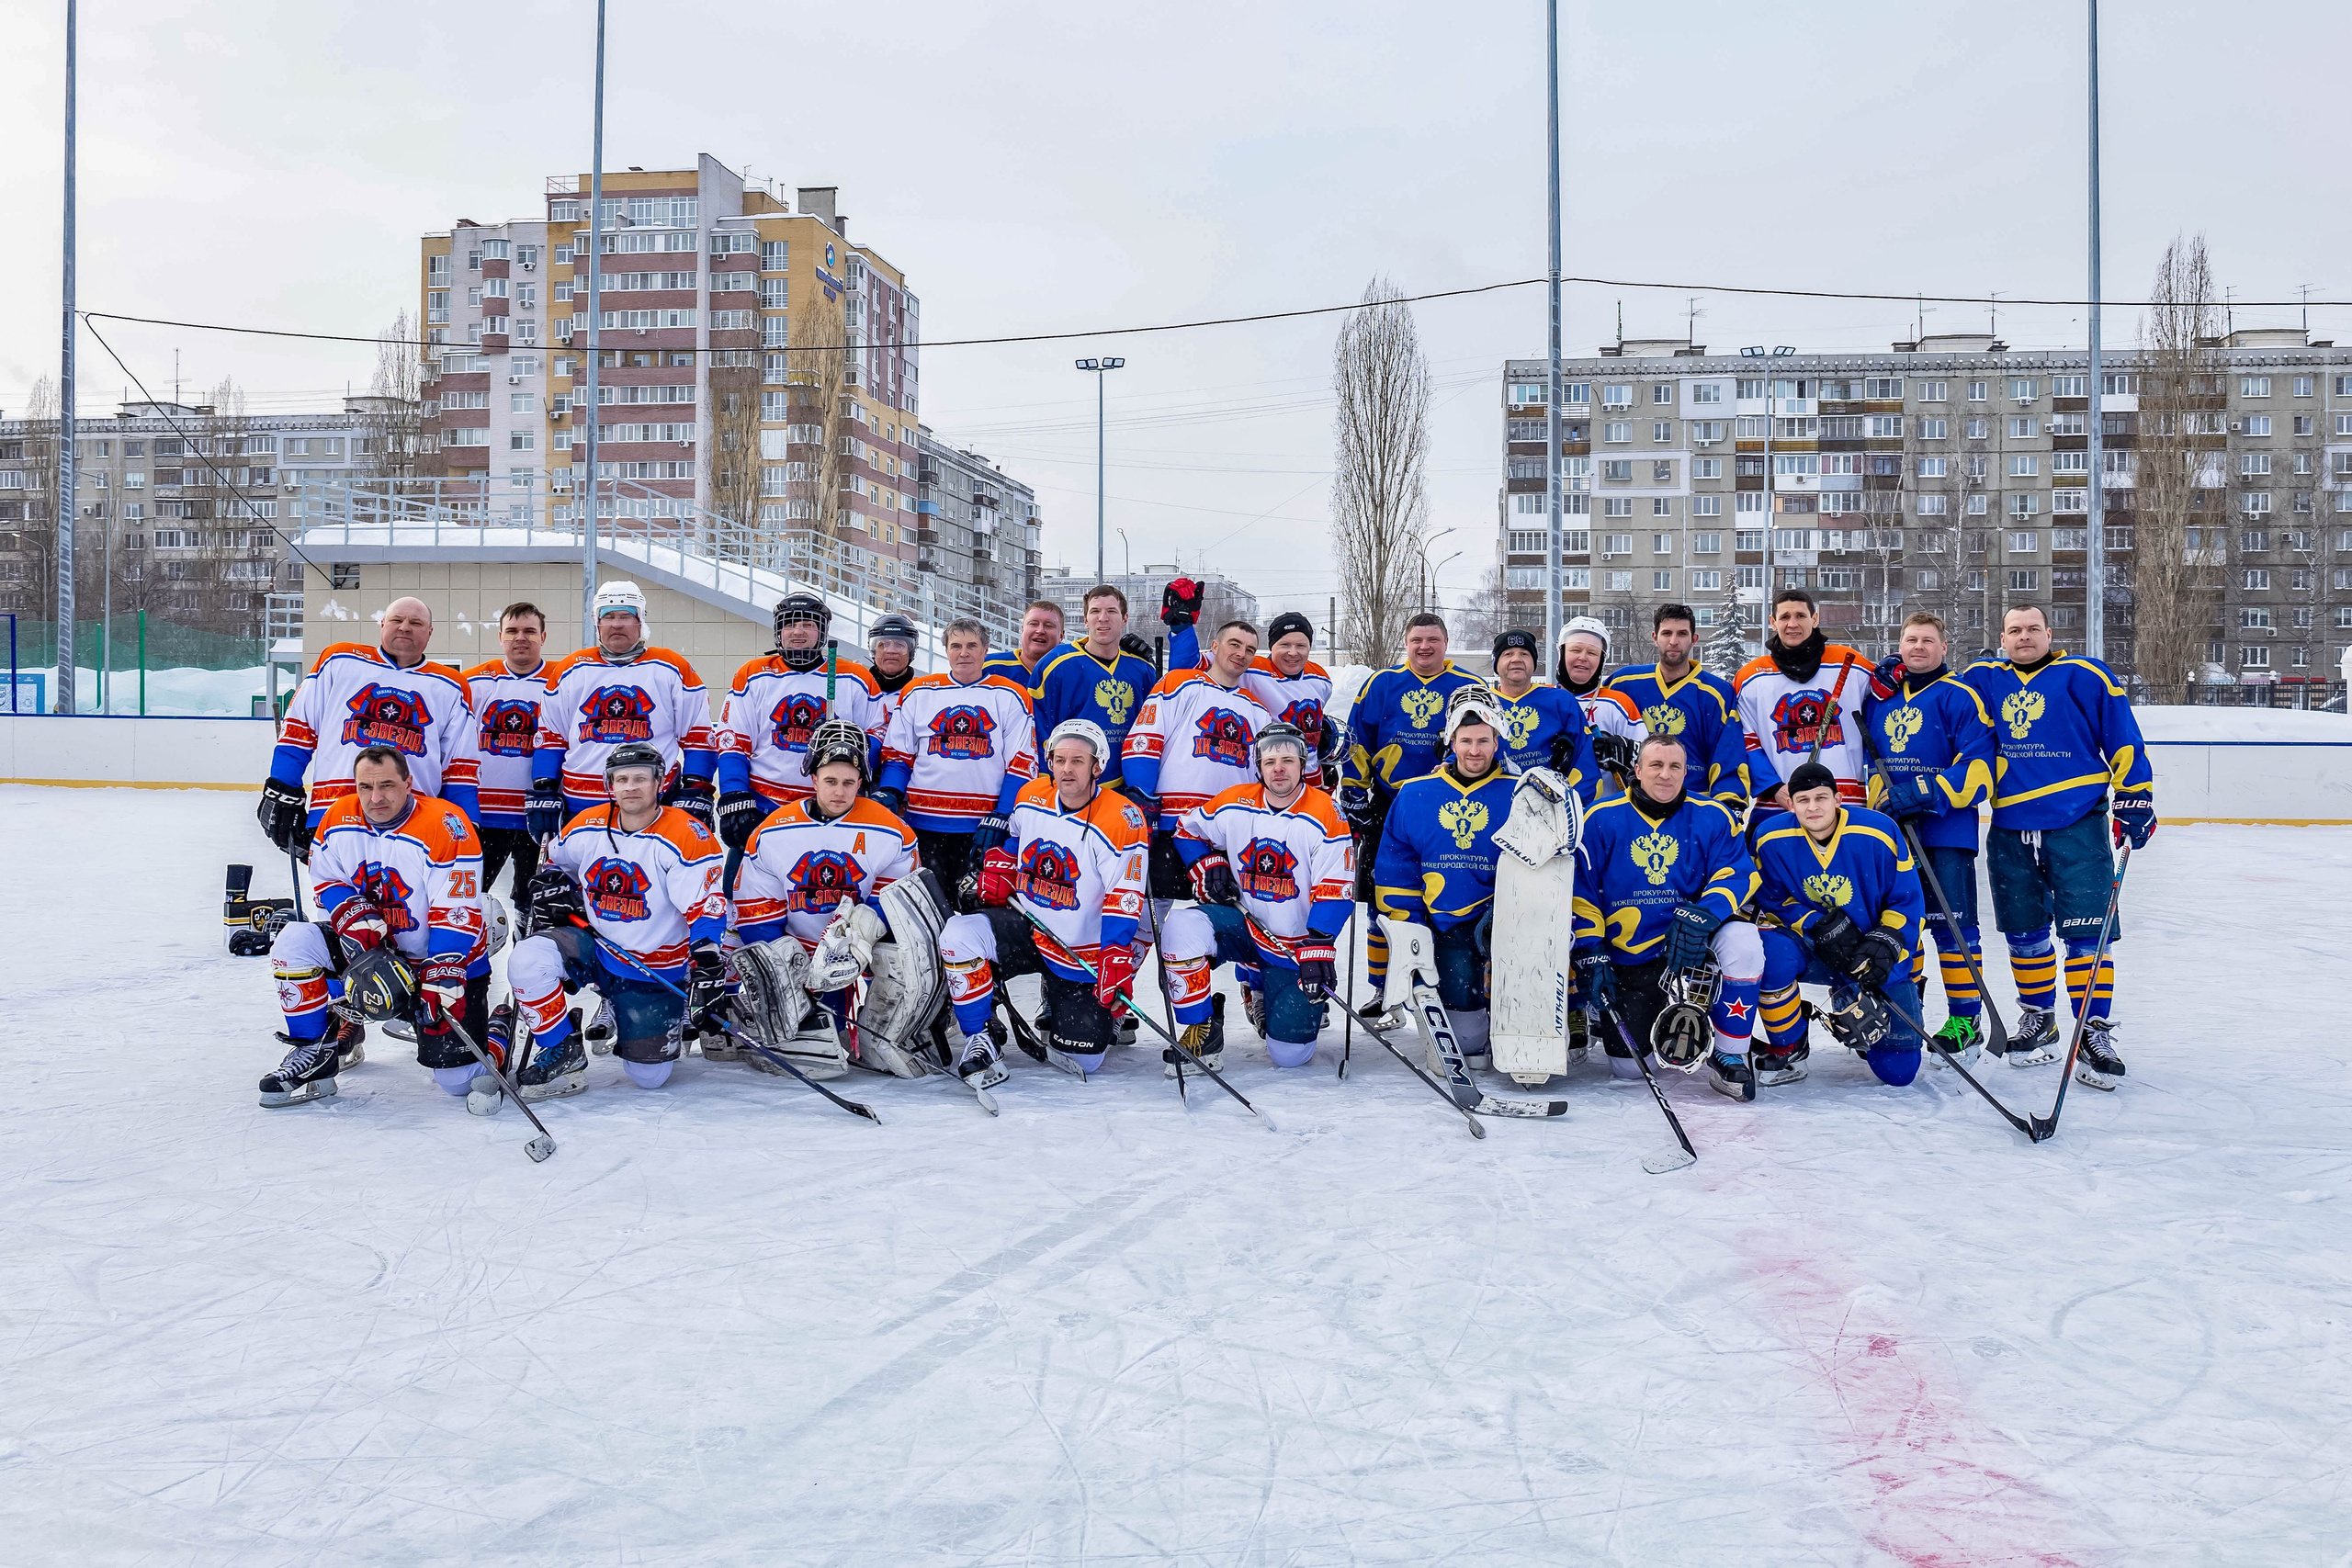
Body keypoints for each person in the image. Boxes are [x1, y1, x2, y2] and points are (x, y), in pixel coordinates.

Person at [1960, 604, 2149, 1082]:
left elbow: (2123, 738)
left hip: (2077, 825)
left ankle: (2092, 1031)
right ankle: (2040, 1020)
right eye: (2014, 631)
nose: (2024, 637)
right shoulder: (1983, 678)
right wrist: (1895, 670)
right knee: (2024, 933)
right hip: (2009, 826)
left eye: (2032, 629)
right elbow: (1940, 695)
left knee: (2087, 936)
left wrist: (2135, 795)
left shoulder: (2084, 675)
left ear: (2050, 633)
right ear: (2002, 638)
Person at [257, 745, 491, 1108]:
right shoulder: (338, 815)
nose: (375, 797)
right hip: (370, 952)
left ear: (409, 782)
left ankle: (498, 1031)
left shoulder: (447, 825)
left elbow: (457, 912)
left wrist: (444, 970)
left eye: (387, 785)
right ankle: (314, 1051)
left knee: (458, 1082)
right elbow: (327, 876)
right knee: (295, 940)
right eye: (365, 787)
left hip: (438, 962)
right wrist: (349, 908)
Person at [507, 742, 727, 1098]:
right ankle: (562, 1046)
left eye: (640, 778)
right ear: (610, 785)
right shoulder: (587, 824)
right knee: (528, 958)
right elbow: (556, 868)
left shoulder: (686, 834)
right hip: (594, 944)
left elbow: (707, 906)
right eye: (621, 779)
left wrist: (705, 959)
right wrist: (553, 887)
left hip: (652, 964)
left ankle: (643, 1009)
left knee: (648, 1077)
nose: (630, 787)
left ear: (660, 782)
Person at [937, 720, 1150, 1083]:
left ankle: (1073, 1001)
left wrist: (1115, 953)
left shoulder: (1123, 818)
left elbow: (1124, 894)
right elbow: (1015, 841)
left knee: (1084, 1061)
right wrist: (1003, 864)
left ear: (1097, 766)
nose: (1067, 769)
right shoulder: (1031, 794)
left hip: (1079, 948)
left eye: (1078, 761)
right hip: (1029, 925)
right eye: (1060, 759)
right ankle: (981, 1035)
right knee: (958, 934)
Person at [1570, 733, 1764, 1101]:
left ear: (1685, 772)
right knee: (1628, 1068)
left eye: (1675, 766)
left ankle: (1730, 1053)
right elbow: (1582, 892)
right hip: (1631, 957)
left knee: (1745, 941)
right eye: (1656, 765)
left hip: (1692, 953)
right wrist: (1593, 952)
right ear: (1637, 770)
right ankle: (1645, 1013)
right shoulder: (1601, 817)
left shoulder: (1713, 815)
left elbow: (1739, 872)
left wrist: (1703, 915)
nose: (1665, 775)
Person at [1161, 723, 1353, 1071]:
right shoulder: (1235, 802)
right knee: (1182, 926)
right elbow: (1187, 830)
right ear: (1259, 766)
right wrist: (1208, 863)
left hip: (1292, 946)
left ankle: (1264, 990)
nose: (1278, 768)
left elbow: (1337, 888)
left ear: (1302, 764)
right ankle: (1201, 1028)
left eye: (1287, 760)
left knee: (1290, 1056)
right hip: (1243, 926)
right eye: (1270, 761)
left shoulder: (1325, 812)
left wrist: (1319, 944)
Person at [731, 717, 919, 1056]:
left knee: (908, 952)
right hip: (798, 951)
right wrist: (786, 969)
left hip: (859, 948)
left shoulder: (892, 830)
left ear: (861, 781)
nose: (839, 791)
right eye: (830, 780)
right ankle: (775, 1015)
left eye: (849, 782)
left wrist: (860, 934)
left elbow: (899, 901)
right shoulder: (772, 832)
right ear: (813, 778)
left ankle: (891, 1029)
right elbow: (756, 911)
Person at [1860, 611, 1997, 1061]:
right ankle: (1907, 1011)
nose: (1918, 647)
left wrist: (1922, 792)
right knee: (1903, 927)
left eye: (1927, 640)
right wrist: (1885, 804)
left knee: (1952, 928)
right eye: (1910, 639)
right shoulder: (1881, 699)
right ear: (1899, 645)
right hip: (1895, 834)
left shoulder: (1959, 696)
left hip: (1946, 830)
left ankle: (1965, 1018)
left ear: (1943, 647)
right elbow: (1872, 762)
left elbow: (1980, 768)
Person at [257, 595, 480, 860]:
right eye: (397, 620)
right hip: (335, 811)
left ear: (429, 633)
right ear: (383, 624)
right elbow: (299, 728)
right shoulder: (339, 660)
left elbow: (459, 768)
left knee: (409, 900)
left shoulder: (451, 685)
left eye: (416, 622)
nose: (405, 627)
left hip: (415, 820)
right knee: (340, 897)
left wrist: (466, 823)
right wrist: (282, 786)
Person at [1752, 761, 1930, 1087]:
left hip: (1872, 951)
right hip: (1814, 947)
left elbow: (1907, 900)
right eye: (1803, 800)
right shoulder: (1770, 837)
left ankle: (1889, 988)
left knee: (1898, 1072)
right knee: (1769, 953)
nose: (1813, 807)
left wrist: (1886, 940)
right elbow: (1772, 900)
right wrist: (1817, 925)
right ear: (1790, 804)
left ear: (1838, 798)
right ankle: (1790, 1043)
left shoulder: (1878, 831)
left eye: (1821, 798)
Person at [1370, 687, 1517, 1073]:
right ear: (1451, 741)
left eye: (1483, 740)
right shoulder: (1416, 793)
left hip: (1509, 928)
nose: (1474, 750)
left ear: (1497, 741)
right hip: (1446, 926)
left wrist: (1509, 908)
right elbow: (1396, 869)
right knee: (1468, 1046)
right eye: (1465, 740)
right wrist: (1409, 928)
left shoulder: (1522, 794)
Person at [1340, 612, 1482, 1001]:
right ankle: (1384, 990)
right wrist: (1353, 788)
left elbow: (1483, 739)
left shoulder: (1467, 685)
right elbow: (1357, 738)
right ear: (1406, 642)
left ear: (1446, 643)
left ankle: (1434, 983)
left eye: (1433, 639)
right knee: (1381, 898)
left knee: (1440, 897)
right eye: (1417, 639)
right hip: (1389, 805)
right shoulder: (1382, 683)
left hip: (1450, 807)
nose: (1424, 646)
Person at [530, 581, 716, 837]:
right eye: (609, 617)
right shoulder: (570, 669)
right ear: (597, 622)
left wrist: (697, 785)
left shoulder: (671, 667)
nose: (617, 624)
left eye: (626, 616)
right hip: (581, 803)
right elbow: (551, 738)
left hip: (653, 802)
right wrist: (544, 785)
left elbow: (698, 736)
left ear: (640, 621)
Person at [1120, 618, 1273, 928]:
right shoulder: (1179, 684)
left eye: (1250, 650)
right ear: (1214, 647)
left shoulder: (1259, 710)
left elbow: (1264, 776)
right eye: (1234, 644)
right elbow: (1144, 743)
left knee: (1235, 926)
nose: (1241, 653)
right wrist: (1142, 797)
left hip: (1226, 834)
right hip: (1169, 827)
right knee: (1143, 921)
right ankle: (1116, 975)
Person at [711, 592, 886, 863]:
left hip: (834, 807)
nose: (798, 632)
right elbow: (733, 741)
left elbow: (878, 738)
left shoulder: (855, 677)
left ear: (822, 632)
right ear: (779, 631)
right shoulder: (754, 674)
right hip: (765, 803)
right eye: (790, 624)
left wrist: (848, 740)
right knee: (742, 892)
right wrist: (735, 794)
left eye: (808, 624)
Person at [874, 617, 1037, 899]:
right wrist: (890, 790)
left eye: (972, 645)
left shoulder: (1010, 695)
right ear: (945, 650)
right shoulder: (919, 692)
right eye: (956, 645)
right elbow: (899, 755)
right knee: (927, 908)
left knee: (973, 906)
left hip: (982, 828)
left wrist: (1003, 813)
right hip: (923, 824)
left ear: (986, 650)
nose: (964, 653)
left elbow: (1022, 763)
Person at [1163, 590, 1340, 790]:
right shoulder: (1248, 665)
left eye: (1301, 645)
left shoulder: (1321, 679)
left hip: (1311, 779)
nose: (1293, 652)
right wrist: (1182, 628)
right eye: (1284, 645)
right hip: (1270, 776)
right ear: (1272, 646)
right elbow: (1188, 666)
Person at [1735, 587, 1874, 827]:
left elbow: (1881, 709)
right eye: (1785, 617)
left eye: (1800, 616)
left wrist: (1894, 670)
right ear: (1772, 622)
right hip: (1780, 806)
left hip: (1845, 803)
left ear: (1815, 618)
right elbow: (1746, 740)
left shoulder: (1850, 663)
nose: (1792, 624)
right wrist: (1773, 787)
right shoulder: (1751, 676)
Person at [1609, 603, 1749, 811]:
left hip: (1694, 806)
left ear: (1694, 639)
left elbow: (1729, 754)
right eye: (1667, 633)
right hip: (1634, 805)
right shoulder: (1624, 683)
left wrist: (1729, 805)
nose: (1673, 641)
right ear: (1655, 637)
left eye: (1682, 634)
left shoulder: (1717, 693)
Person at [461, 600, 551, 901]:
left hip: (538, 816)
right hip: (484, 816)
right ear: (500, 637)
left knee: (533, 907)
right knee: (470, 900)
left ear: (543, 637)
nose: (520, 638)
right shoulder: (474, 682)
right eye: (512, 631)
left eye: (529, 631)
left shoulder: (561, 681)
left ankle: (528, 948)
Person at [1031, 586, 1159, 791]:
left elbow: (1153, 729)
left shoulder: (1142, 669)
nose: (1103, 618)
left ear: (1124, 619)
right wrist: (1048, 783)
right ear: (1085, 619)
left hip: (1126, 789)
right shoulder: (1055, 665)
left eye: (1111, 611)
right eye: (1095, 611)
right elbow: (1038, 728)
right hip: (1071, 788)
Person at [1487, 627, 1599, 796]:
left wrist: (1569, 803)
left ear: (1534, 663)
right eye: (1508, 654)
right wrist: (1451, 764)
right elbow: (1466, 747)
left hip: (1550, 805)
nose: (1516, 659)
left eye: (1524, 654)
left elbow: (1585, 759)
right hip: (1496, 800)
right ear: (1496, 664)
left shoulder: (1560, 701)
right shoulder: (1482, 703)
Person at [1555, 615, 1648, 799]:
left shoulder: (1618, 703)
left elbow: (1650, 757)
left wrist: (1627, 753)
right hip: (1548, 814)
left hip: (1603, 814)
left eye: (1592, 653)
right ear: (1562, 653)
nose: (1583, 657)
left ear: (1601, 660)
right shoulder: (1544, 699)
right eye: (1575, 650)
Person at [984, 599, 1066, 689]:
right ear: (1022, 630)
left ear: (1061, 636)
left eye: (1048, 625)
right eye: (1033, 624)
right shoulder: (986, 668)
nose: (1040, 631)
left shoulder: (1073, 676)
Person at [867, 613, 921, 731]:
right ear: (873, 649)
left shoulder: (921, 694)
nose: (891, 651)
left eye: (899, 645)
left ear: (911, 651)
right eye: (883, 644)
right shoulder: (859, 691)